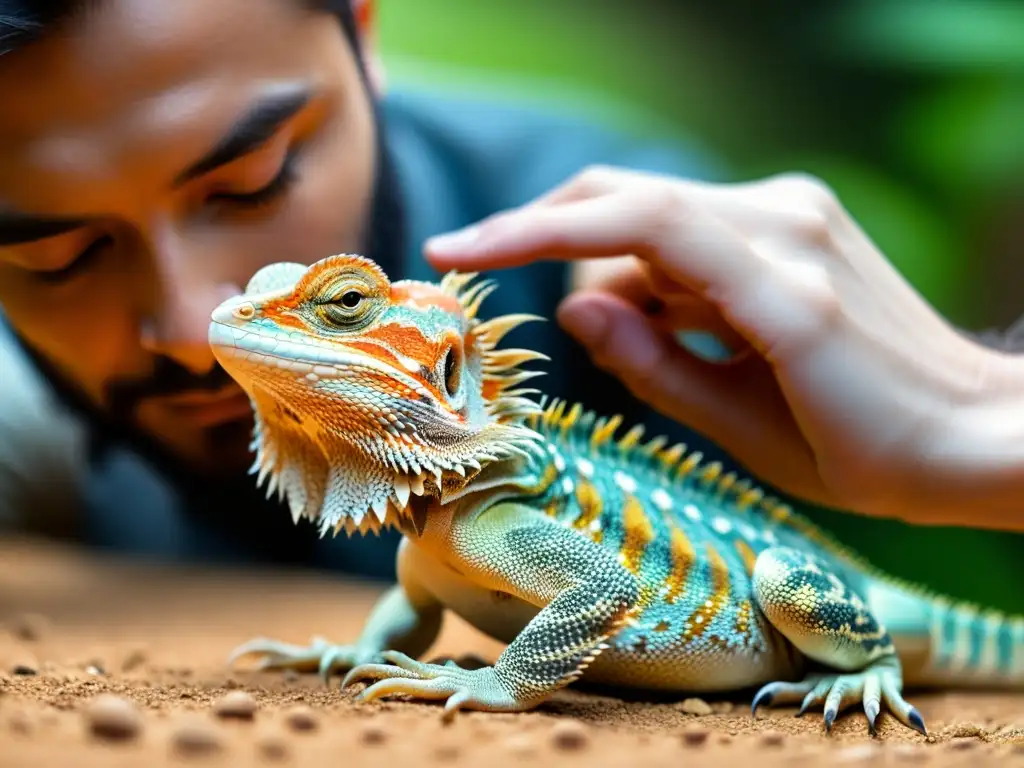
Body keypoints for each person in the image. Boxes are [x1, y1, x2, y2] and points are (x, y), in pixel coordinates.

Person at [0, 1, 1021, 586]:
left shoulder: (648, 290)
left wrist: (976, 421)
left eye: (252, 181)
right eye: (54, 258)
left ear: (364, 29)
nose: (193, 333)